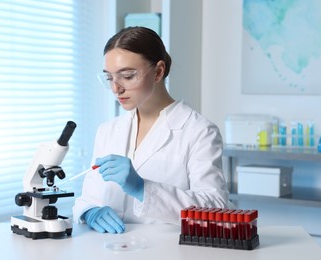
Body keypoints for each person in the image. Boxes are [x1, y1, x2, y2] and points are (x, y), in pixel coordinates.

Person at [72, 26, 230, 234]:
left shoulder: (199, 131)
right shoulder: (108, 131)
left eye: (127, 76)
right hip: (109, 250)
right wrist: (90, 211)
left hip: (167, 250)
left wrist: (143, 189)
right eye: (110, 78)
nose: (116, 88)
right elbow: (88, 198)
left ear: (158, 71)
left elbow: (216, 208)